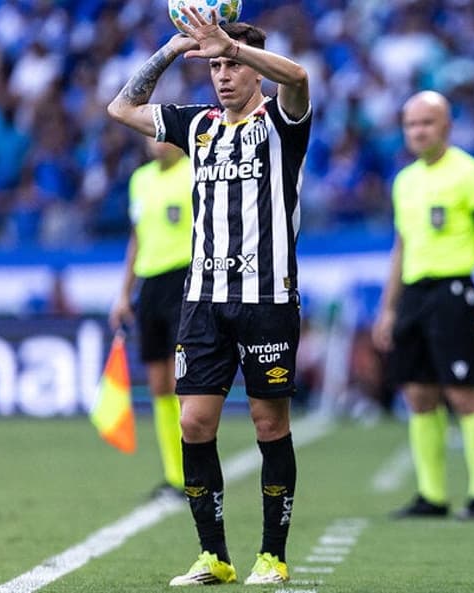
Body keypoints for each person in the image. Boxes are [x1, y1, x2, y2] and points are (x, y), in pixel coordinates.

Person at [107, 7, 311, 586]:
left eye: (231, 65)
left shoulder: (281, 122)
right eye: (216, 66)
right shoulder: (196, 126)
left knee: (270, 426)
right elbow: (120, 108)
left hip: (267, 297)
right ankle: (214, 555)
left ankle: (272, 555)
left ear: (251, 72)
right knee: (194, 424)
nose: (223, 75)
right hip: (203, 299)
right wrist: (173, 51)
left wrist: (234, 43)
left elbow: (298, 77)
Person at [372, 90, 474, 521]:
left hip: (453, 292)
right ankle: (431, 496)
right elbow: (401, 246)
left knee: (464, 393)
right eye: (411, 124)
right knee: (417, 394)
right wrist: (388, 307)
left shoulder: (470, 174)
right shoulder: (405, 180)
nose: (417, 131)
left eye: (426, 123)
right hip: (414, 295)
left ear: (446, 126)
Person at [108, 138, 192, 499]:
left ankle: (195, 472)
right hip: (151, 287)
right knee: (158, 383)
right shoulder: (140, 180)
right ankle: (175, 476)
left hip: (185, 279)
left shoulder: (195, 173)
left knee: (180, 381)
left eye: (164, 136)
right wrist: (125, 292)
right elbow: (137, 238)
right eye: (151, 136)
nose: (157, 143)